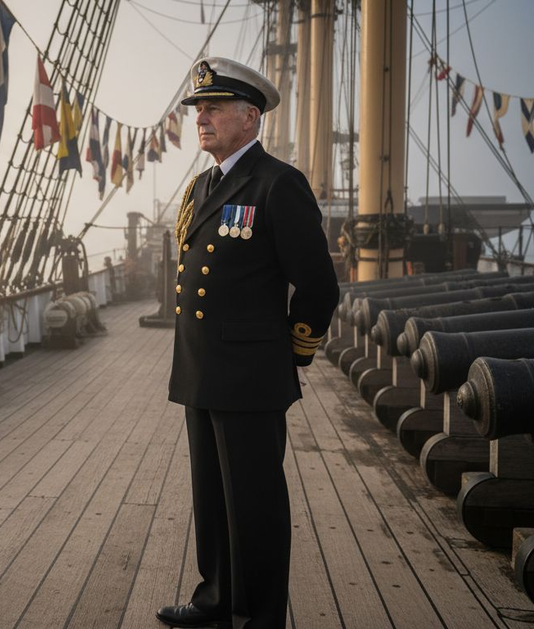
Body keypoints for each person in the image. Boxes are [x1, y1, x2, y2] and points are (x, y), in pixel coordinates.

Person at [157, 57, 340, 628]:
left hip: (251, 375)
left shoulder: (277, 184)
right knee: (211, 498)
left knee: (255, 506)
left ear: (251, 118)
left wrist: (292, 353)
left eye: (213, 108)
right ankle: (216, 600)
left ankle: (260, 617)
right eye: (198, 109)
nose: (201, 117)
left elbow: (317, 285)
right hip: (201, 369)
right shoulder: (201, 187)